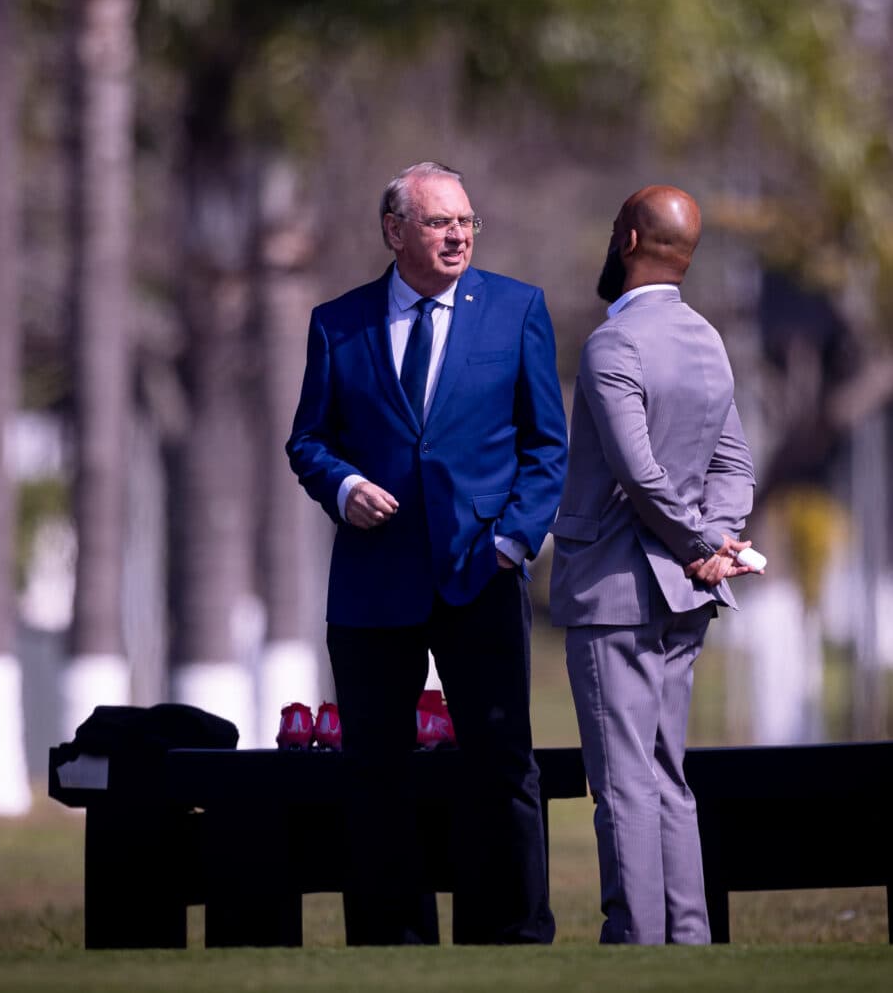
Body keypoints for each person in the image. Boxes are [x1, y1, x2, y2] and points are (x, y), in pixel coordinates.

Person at [285, 160, 566, 945]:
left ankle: (510, 932)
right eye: (441, 221)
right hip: (376, 581)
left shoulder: (516, 310)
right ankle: (391, 939)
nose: (458, 234)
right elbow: (308, 439)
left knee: (501, 761)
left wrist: (514, 539)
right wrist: (342, 488)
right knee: (375, 768)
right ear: (395, 230)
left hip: (483, 570)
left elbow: (548, 446)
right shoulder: (338, 323)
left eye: (467, 221)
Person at [549, 184, 758, 945]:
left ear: (629, 239)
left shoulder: (612, 345)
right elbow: (735, 468)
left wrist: (706, 547)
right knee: (668, 776)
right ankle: (687, 941)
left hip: (615, 592)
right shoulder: (708, 341)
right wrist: (717, 542)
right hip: (685, 596)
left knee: (625, 783)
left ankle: (636, 943)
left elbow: (638, 475)